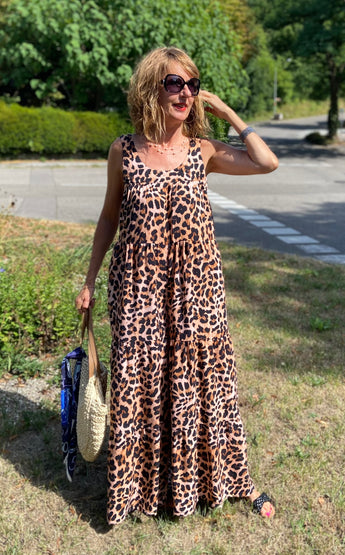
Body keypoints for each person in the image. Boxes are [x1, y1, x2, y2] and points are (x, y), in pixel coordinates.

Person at [75, 46, 278, 525]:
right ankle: (140, 489)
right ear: (152, 88)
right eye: (174, 83)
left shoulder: (202, 150)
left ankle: (221, 481)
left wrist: (226, 112)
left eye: (192, 84)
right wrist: (89, 280)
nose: (185, 93)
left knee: (201, 382)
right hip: (138, 288)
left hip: (197, 289)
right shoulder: (123, 150)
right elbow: (108, 217)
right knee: (140, 383)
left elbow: (267, 162)